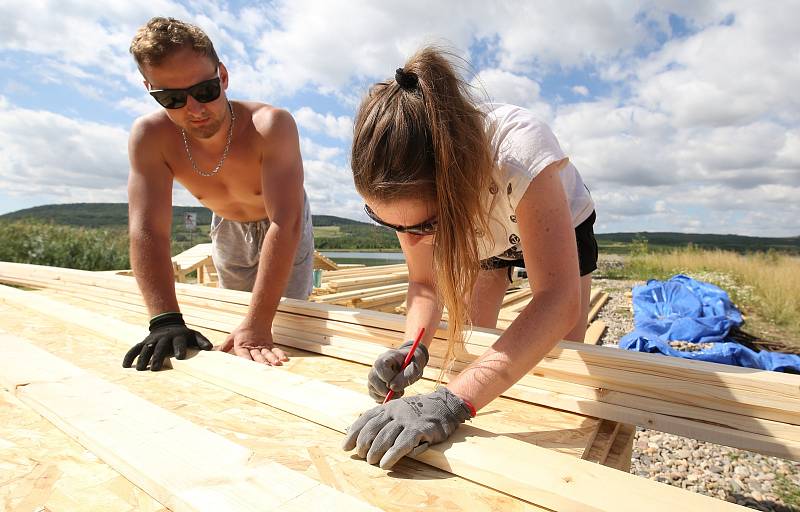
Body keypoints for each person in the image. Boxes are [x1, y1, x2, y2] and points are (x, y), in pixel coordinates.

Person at [342, 47, 597, 469]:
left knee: (561, 364)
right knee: (477, 343)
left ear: (456, 182)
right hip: (478, 223)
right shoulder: (416, 203)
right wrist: (413, 344)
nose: (412, 239)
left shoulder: (520, 151)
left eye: (423, 225)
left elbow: (558, 302)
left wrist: (452, 400)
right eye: (391, 225)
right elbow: (425, 284)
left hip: (558, 221)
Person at [122, 17, 314, 371]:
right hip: (226, 226)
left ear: (222, 76)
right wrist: (164, 319)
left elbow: (285, 221)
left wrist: (258, 324)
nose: (194, 109)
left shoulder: (271, 126)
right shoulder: (150, 137)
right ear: (150, 89)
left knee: (286, 327)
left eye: (205, 91)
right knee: (234, 322)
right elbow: (148, 229)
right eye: (172, 98)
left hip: (283, 223)